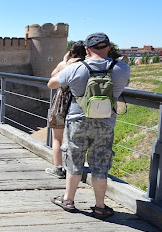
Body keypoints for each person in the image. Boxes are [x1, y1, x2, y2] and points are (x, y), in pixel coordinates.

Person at [47, 32, 130, 219]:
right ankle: (100, 206)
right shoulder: (122, 68)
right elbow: (122, 86)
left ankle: (68, 200)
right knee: (100, 165)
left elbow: (51, 84)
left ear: (86, 49)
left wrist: (66, 64)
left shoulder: (77, 67)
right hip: (106, 122)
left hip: (77, 120)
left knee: (74, 161)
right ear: (109, 47)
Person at [45, 41, 87, 179]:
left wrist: (64, 62)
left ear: (71, 52)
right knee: (75, 139)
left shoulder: (66, 65)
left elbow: (52, 77)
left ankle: (58, 168)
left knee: (57, 137)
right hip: (80, 104)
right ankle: (75, 169)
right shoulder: (87, 66)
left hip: (62, 102)